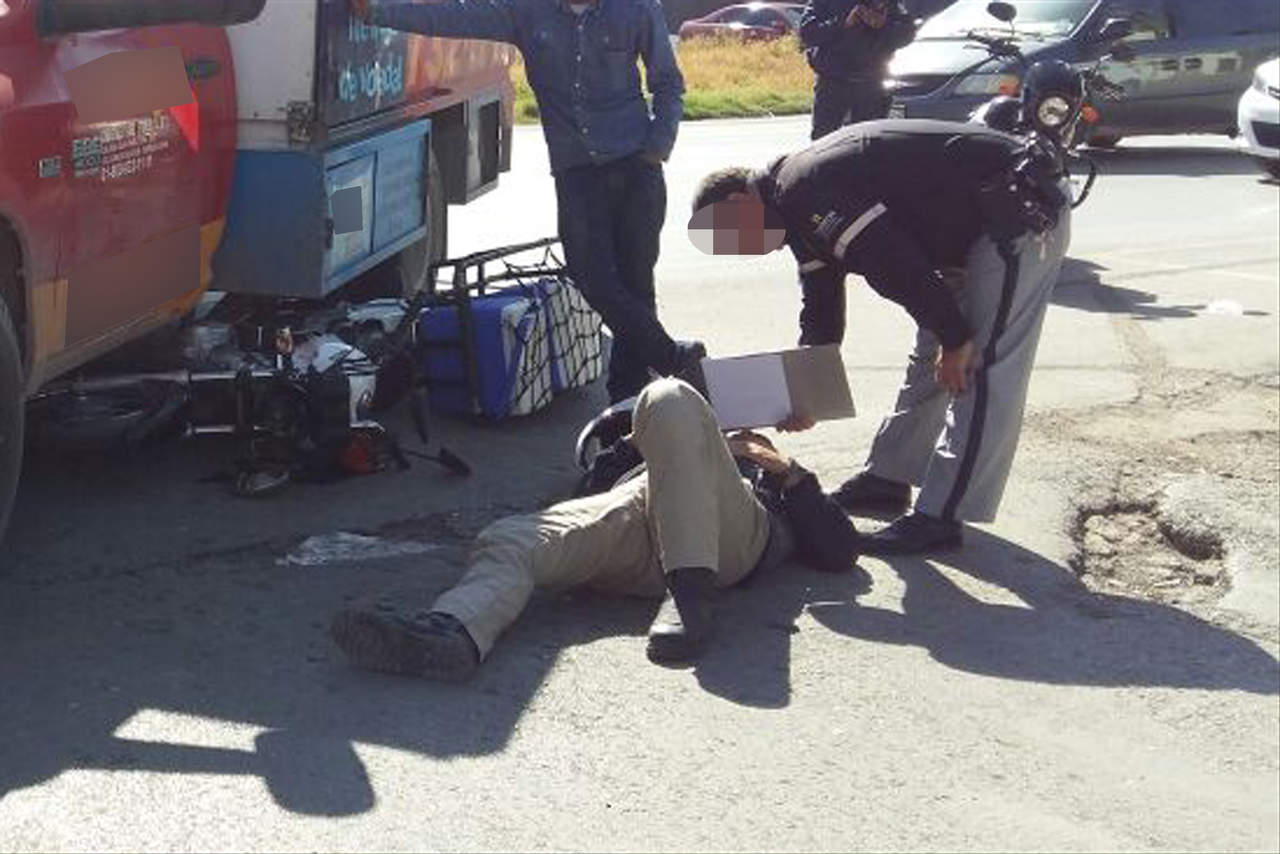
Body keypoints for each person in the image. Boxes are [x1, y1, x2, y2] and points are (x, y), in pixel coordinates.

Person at [687, 118, 1072, 554]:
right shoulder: (791, 208)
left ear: (741, 202)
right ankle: (889, 477)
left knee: (980, 366)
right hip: (976, 225)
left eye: (729, 235)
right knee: (934, 360)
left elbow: (892, 262)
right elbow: (821, 312)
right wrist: (801, 396)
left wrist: (954, 336)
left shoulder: (803, 190)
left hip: (1016, 212)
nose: (737, 250)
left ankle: (942, 516)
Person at [330, 377, 863, 680]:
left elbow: (841, 550)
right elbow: (590, 496)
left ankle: (690, 595)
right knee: (513, 536)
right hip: (631, 520)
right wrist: (636, 444)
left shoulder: (760, 471)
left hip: (725, 540)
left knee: (671, 393)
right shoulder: (638, 446)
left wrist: (787, 472)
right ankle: (455, 632)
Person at [351, 0, 699, 402]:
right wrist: (375, 10)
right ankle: (673, 358)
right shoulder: (528, 12)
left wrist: (659, 144)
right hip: (577, 172)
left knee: (636, 286)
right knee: (592, 279)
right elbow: (452, 16)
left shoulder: (635, 9)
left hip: (637, 167)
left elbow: (668, 82)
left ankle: (629, 400)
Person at [798, 0, 916, 141]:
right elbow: (807, 32)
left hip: (871, 83)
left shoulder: (887, 3)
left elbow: (907, 32)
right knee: (823, 142)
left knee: (869, 144)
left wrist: (883, 25)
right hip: (832, 82)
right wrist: (842, 23)